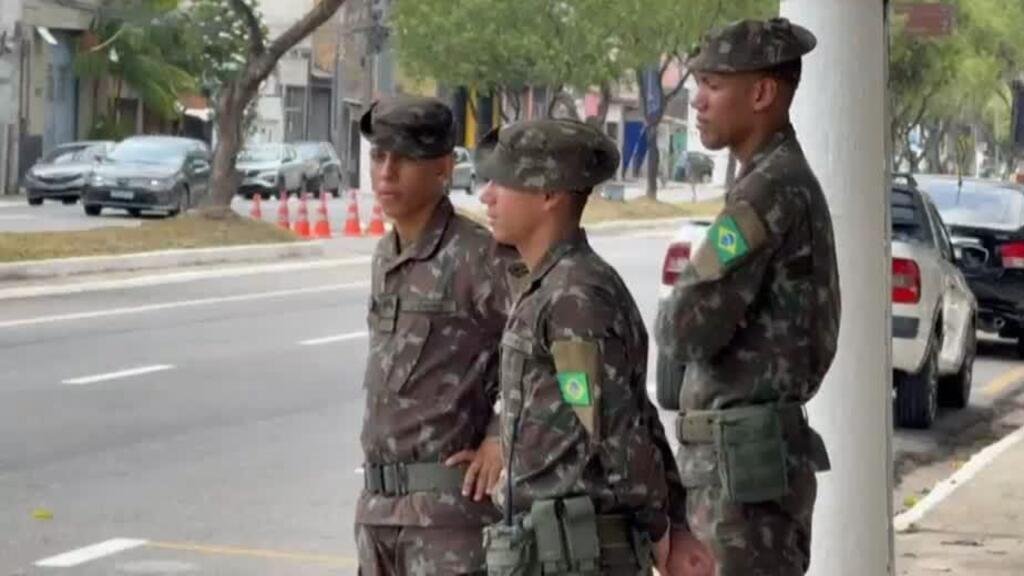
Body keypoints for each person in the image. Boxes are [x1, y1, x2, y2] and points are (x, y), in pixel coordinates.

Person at [477, 118, 710, 575]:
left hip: (579, 557)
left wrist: (662, 529)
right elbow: (628, 411)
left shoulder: (574, 296)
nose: (486, 195)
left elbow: (613, 427)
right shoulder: (551, 285)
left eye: (502, 182)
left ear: (549, 195)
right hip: (547, 551)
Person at [654, 18, 841, 576]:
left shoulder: (767, 191)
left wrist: (674, 305)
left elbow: (682, 328)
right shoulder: (771, 179)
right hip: (743, 468)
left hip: (741, 482)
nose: (696, 100)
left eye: (712, 85)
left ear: (761, 94)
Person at [355, 95, 519, 575]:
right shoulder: (387, 254)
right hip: (379, 512)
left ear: (444, 167)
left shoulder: (480, 256)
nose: (386, 172)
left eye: (404, 159)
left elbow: (547, 346)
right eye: (379, 156)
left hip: (446, 522)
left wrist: (501, 436)